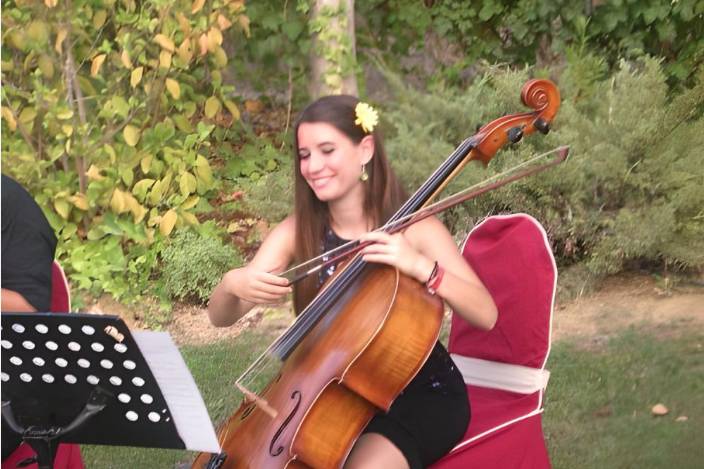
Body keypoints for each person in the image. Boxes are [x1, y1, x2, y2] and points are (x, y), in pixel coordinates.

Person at [207, 95, 498, 469]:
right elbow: (220, 317)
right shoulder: (296, 232)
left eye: (327, 150)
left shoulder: (416, 229)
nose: (313, 166)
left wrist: (421, 266)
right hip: (330, 394)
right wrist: (233, 283)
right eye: (304, 155)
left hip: (418, 395)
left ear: (365, 149)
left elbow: (486, 313)